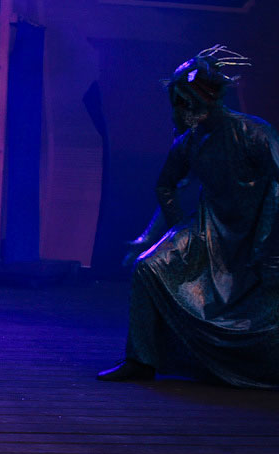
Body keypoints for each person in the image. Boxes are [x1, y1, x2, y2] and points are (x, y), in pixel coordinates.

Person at [98, 46, 279, 388]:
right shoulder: (190, 142)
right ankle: (140, 359)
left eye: (184, 100)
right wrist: (175, 228)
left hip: (259, 232)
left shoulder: (255, 132)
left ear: (203, 97)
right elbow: (165, 185)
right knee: (148, 267)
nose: (179, 109)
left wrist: (272, 250)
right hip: (209, 229)